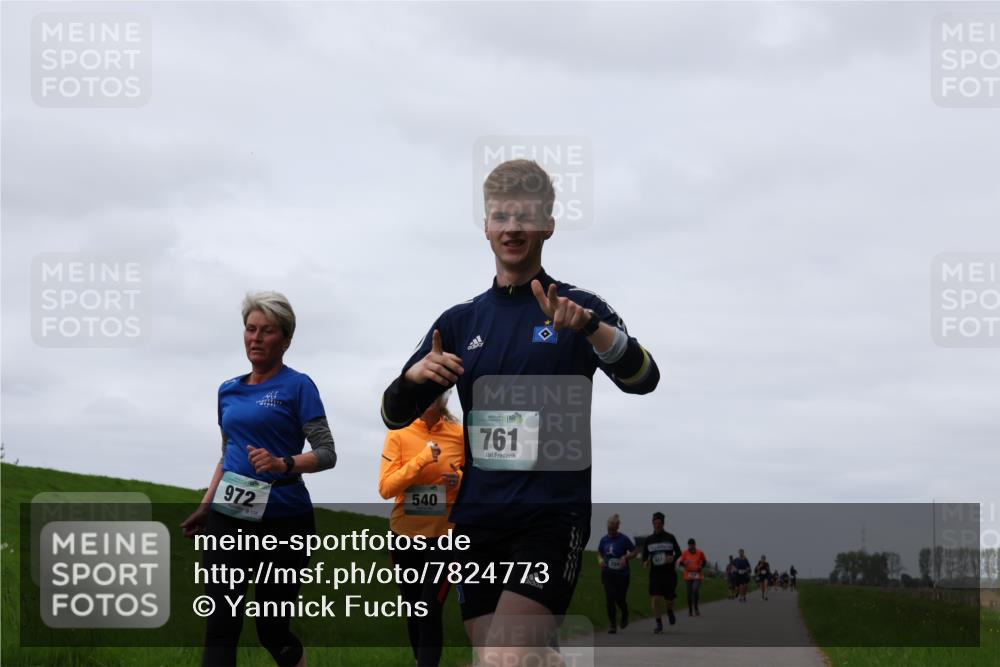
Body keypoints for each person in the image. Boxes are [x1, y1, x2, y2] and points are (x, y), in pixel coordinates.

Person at [379, 159, 659, 663]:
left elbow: (644, 378)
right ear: (485, 226)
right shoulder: (460, 322)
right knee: (507, 658)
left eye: (524, 216)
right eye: (501, 216)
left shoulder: (578, 307)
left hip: (551, 515)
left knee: (504, 657)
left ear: (548, 224)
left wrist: (592, 331)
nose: (512, 227)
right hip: (478, 521)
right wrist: (412, 379)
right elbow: (394, 414)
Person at [180, 291, 337, 667]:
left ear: (285, 339)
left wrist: (283, 463)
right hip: (228, 516)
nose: (256, 338)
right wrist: (205, 506)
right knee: (221, 620)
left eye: (267, 331)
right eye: (250, 329)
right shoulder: (228, 390)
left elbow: (327, 453)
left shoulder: (299, 386)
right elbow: (227, 453)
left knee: (272, 628)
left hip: (284, 518)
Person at [378, 390, 464, 666]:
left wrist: (460, 479)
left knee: (429, 607)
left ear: (445, 399)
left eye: (437, 392)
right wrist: (423, 459)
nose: (430, 397)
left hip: (445, 536)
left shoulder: (459, 435)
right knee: (414, 608)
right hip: (405, 535)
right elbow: (386, 487)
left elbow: (476, 478)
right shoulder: (399, 434)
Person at [641, 512, 681, 634]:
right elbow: (644, 556)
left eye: (659, 523)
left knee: (669, 600)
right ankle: (658, 623)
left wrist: (672, 558)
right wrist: (646, 562)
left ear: (663, 524)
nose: (657, 525)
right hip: (655, 574)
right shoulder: (649, 540)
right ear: (652, 524)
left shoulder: (670, 537)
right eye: (655, 523)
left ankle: (669, 611)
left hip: (669, 574)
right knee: (656, 597)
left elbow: (679, 552)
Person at [597, 514, 636, 634]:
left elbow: (634, 552)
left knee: (620, 598)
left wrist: (625, 557)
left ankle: (625, 613)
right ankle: (613, 625)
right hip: (608, 573)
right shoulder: (604, 540)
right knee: (610, 598)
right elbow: (599, 553)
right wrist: (601, 561)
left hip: (622, 575)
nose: (611, 531)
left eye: (613, 529)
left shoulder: (623, 539)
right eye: (609, 529)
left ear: (617, 528)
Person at [678, 538, 708, 617]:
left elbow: (705, 562)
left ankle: (696, 607)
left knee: (695, 590)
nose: (691, 546)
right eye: (689, 545)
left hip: (697, 574)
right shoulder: (685, 553)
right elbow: (680, 563)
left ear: (695, 545)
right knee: (689, 593)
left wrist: (701, 567)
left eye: (692, 545)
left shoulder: (700, 552)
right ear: (688, 545)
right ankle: (690, 610)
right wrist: (684, 564)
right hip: (688, 574)